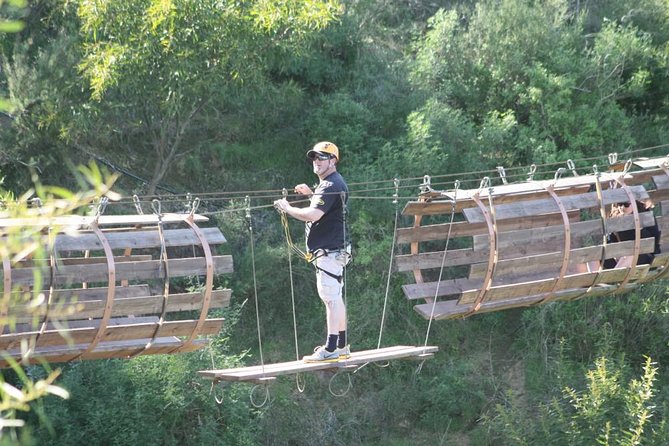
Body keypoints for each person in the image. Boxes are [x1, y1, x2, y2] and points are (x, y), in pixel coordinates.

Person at [274, 142, 350, 362]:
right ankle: (342, 346)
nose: (317, 161)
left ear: (333, 160)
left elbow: (314, 215)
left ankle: (331, 348)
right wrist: (311, 194)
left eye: (322, 157)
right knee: (335, 297)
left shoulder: (329, 185)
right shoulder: (332, 183)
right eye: (315, 157)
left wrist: (287, 208)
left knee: (330, 299)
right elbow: (327, 210)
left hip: (329, 251)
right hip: (335, 250)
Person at [603, 199, 661, 269]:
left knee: (631, 254)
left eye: (626, 204)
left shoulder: (646, 216)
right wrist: (614, 234)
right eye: (619, 204)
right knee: (596, 255)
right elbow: (611, 242)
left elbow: (654, 242)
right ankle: (592, 279)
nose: (622, 207)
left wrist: (640, 229)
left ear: (635, 203)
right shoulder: (617, 218)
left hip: (647, 258)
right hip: (623, 258)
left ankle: (613, 277)